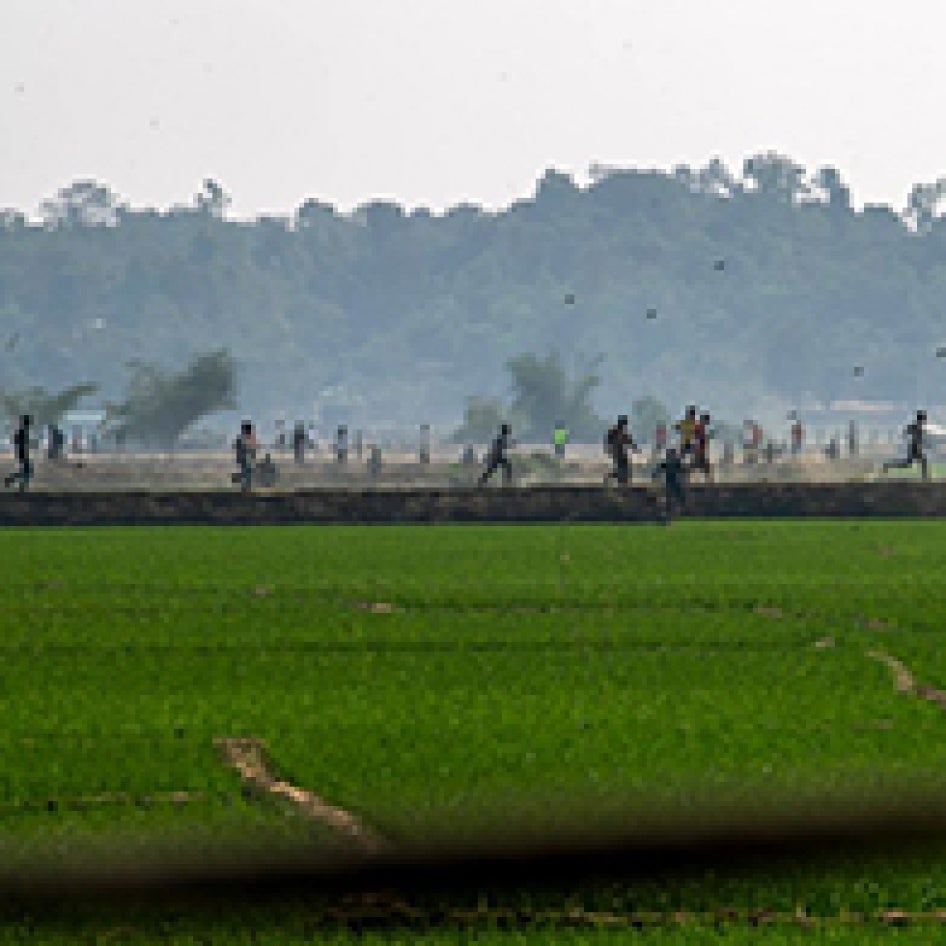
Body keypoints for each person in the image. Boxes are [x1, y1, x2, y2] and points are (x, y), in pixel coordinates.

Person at [883, 410, 929, 480]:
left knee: (916, 462)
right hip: (913, 448)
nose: (924, 420)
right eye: (924, 418)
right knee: (909, 463)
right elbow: (908, 433)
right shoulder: (916, 427)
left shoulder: (917, 427)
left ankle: (924, 476)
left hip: (914, 447)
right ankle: (888, 465)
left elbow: (908, 433)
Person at [656, 447, 687, 523]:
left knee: (671, 500)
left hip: (672, 483)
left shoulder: (672, 462)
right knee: (670, 500)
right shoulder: (673, 462)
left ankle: (669, 516)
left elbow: (659, 469)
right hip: (671, 483)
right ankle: (668, 516)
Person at [4, 414, 33, 493]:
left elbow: (18, 443)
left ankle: (17, 484)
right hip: (22, 453)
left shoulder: (22, 431)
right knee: (27, 471)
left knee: (25, 471)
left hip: (22, 453)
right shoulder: (22, 432)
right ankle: (20, 486)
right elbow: (20, 443)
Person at [605, 415, 636, 485]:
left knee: (621, 466)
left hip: (617, 451)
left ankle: (619, 479)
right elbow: (626, 440)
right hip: (618, 451)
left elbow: (627, 440)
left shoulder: (614, 431)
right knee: (622, 466)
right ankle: (620, 480)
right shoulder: (617, 431)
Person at [233, 420, 256, 492]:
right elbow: (239, 450)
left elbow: (252, 450)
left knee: (247, 475)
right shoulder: (242, 439)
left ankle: (246, 488)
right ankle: (245, 488)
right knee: (245, 474)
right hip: (245, 459)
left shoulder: (250, 439)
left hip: (247, 459)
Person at [692, 412, 713, 482]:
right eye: (707, 421)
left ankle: (706, 478)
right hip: (699, 448)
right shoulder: (699, 427)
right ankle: (707, 478)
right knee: (700, 463)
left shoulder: (701, 426)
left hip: (700, 448)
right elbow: (697, 438)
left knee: (701, 463)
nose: (707, 423)